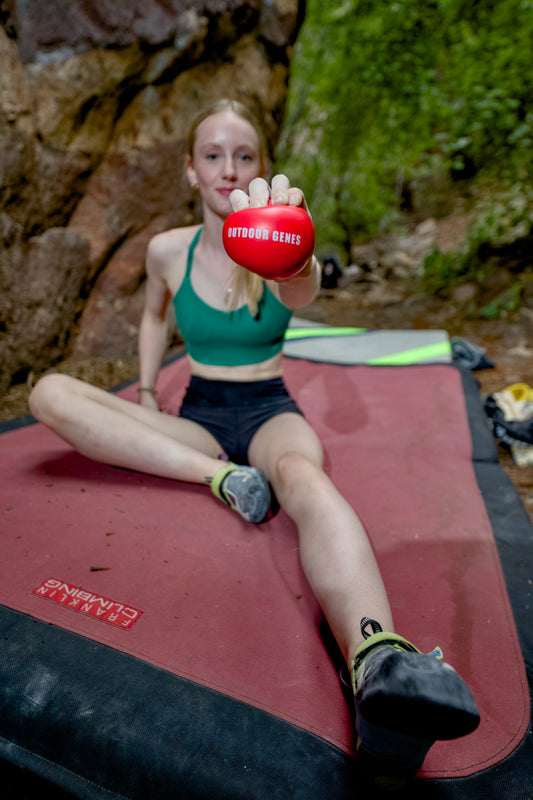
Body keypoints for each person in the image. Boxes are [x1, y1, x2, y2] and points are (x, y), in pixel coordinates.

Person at [29, 98, 479, 786]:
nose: (228, 169)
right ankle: (219, 477)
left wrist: (293, 254)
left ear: (261, 167)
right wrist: (146, 392)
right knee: (49, 393)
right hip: (198, 414)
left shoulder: (279, 236)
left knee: (304, 479)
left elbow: (301, 289)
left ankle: (380, 661)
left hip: (268, 409)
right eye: (213, 154)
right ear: (190, 169)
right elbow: (152, 318)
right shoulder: (166, 250)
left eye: (244, 156)